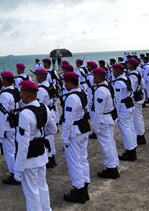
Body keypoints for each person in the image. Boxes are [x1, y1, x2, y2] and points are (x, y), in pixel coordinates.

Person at [14, 81, 57, 211]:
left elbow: (23, 144)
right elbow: (53, 129)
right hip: (42, 154)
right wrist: (39, 136)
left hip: (30, 158)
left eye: (21, 92)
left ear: (26, 95)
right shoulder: (44, 107)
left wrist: (18, 168)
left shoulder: (25, 113)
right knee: (42, 186)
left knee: (32, 193)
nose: (20, 95)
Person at [60, 73, 91, 204]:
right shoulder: (82, 93)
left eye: (65, 82)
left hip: (74, 133)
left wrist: (64, 138)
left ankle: (79, 192)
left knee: (74, 163)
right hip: (82, 130)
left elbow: (68, 121)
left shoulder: (71, 98)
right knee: (83, 160)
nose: (64, 85)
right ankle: (84, 190)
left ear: (69, 83)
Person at [91, 68, 120, 179]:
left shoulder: (100, 91)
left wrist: (95, 127)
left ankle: (111, 169)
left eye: (94, 76)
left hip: (103, 120)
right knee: (110, 143)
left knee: (106, 146)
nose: (93, 78)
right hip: (108, 118)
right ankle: (114, 164)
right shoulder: (107, 86)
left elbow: (98, 111)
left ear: (99, 77)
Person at [0, 71, 21, 185]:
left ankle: (13, 174)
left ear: (6, 80)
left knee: (9, 151)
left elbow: (2, 115)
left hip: (8, 125)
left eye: (2, 79)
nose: (1, 81)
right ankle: (18, 170)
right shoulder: (16, 90)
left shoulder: (4, 94)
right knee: (15, 148)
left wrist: (0, 133)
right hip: (15, 121)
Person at [112, 64, 137, 161]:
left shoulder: (118, 83)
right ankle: (132, 149)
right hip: (129, 105)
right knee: (130, 128)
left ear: (118, 71)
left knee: (126, 131)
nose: (113, 73)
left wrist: (116, 112)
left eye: (114, 70)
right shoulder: (127, 78)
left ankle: (130, 153)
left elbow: (117, 99)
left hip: (123, 108)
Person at [34, 68, 58, 168]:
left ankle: (49, 158)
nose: (36, 77)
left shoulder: (40, 89)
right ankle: (52, 156)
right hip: (51, 111)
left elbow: (39, 105)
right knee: (50, 137)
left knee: (45, 136)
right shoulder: (49, 85)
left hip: (45, 113)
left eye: (37, 75)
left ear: (41, 76)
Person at [127, 59, 147, 144]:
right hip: (139, 97)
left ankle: (140, 136)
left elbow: (131, 89)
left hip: (135, 99)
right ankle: (140, 134)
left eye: (128, 64)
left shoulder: (132, 76)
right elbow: (143, 85)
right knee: (139, 117)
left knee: (136, 118)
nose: (127, 65)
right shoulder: (138, 73)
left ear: (131, 65)